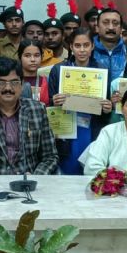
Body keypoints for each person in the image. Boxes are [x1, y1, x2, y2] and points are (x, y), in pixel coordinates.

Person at [48, 28, 112, 174]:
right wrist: (54, 102)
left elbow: (106, 109)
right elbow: (49, 106)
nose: (82, 50)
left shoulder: (102, 71)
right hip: (66, 130)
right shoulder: (58, 70)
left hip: (91, 129)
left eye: (86, 45)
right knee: (67, 174)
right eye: (77, 45)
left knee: (89, 172)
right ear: (71, 47)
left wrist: (108, 108)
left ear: (92, 46)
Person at [91, 8, 127, 82]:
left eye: (115, 23)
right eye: (106, 23)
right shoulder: (88, 51)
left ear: (121, 29)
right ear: (97, 27)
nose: (111, 27)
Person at [18, 39, 50, 105]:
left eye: (36, 55)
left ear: (42, 57)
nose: (32, 59)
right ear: (19, 57)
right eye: (27, 55)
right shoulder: (14, 80)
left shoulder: (48, 80)